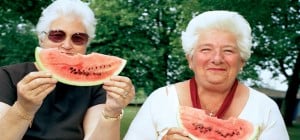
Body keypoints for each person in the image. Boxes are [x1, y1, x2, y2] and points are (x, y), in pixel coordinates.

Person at [124, 10, 289, 140]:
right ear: (190, 59)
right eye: (206, 49)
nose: (217, 59)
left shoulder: (265, 108)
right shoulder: (160, 99)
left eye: (228, 50)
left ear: (242, 62)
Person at [0, 0, 135, 139]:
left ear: (86, 44)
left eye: (78, 38)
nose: (66, 45)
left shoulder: (97, 86)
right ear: (41, 38)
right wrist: (23, 108)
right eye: (57, 35)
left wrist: (112, 112)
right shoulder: (7, 76)